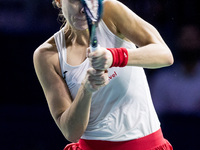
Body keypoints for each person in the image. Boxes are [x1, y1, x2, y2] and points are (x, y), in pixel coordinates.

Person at [33, 0, 174, 149]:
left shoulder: (111, 12)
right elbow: (71, 131)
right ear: (59, 2)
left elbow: (165, 55)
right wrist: (86, 89)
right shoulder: (47, 55)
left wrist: (115, 57)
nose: (83, 9)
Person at [150, 24, 200, 149]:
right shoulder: (162, 78)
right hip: (173, 138)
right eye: (185, 40)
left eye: (192, 40)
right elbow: (156, 117)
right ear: (177, 42)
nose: (189, 45)